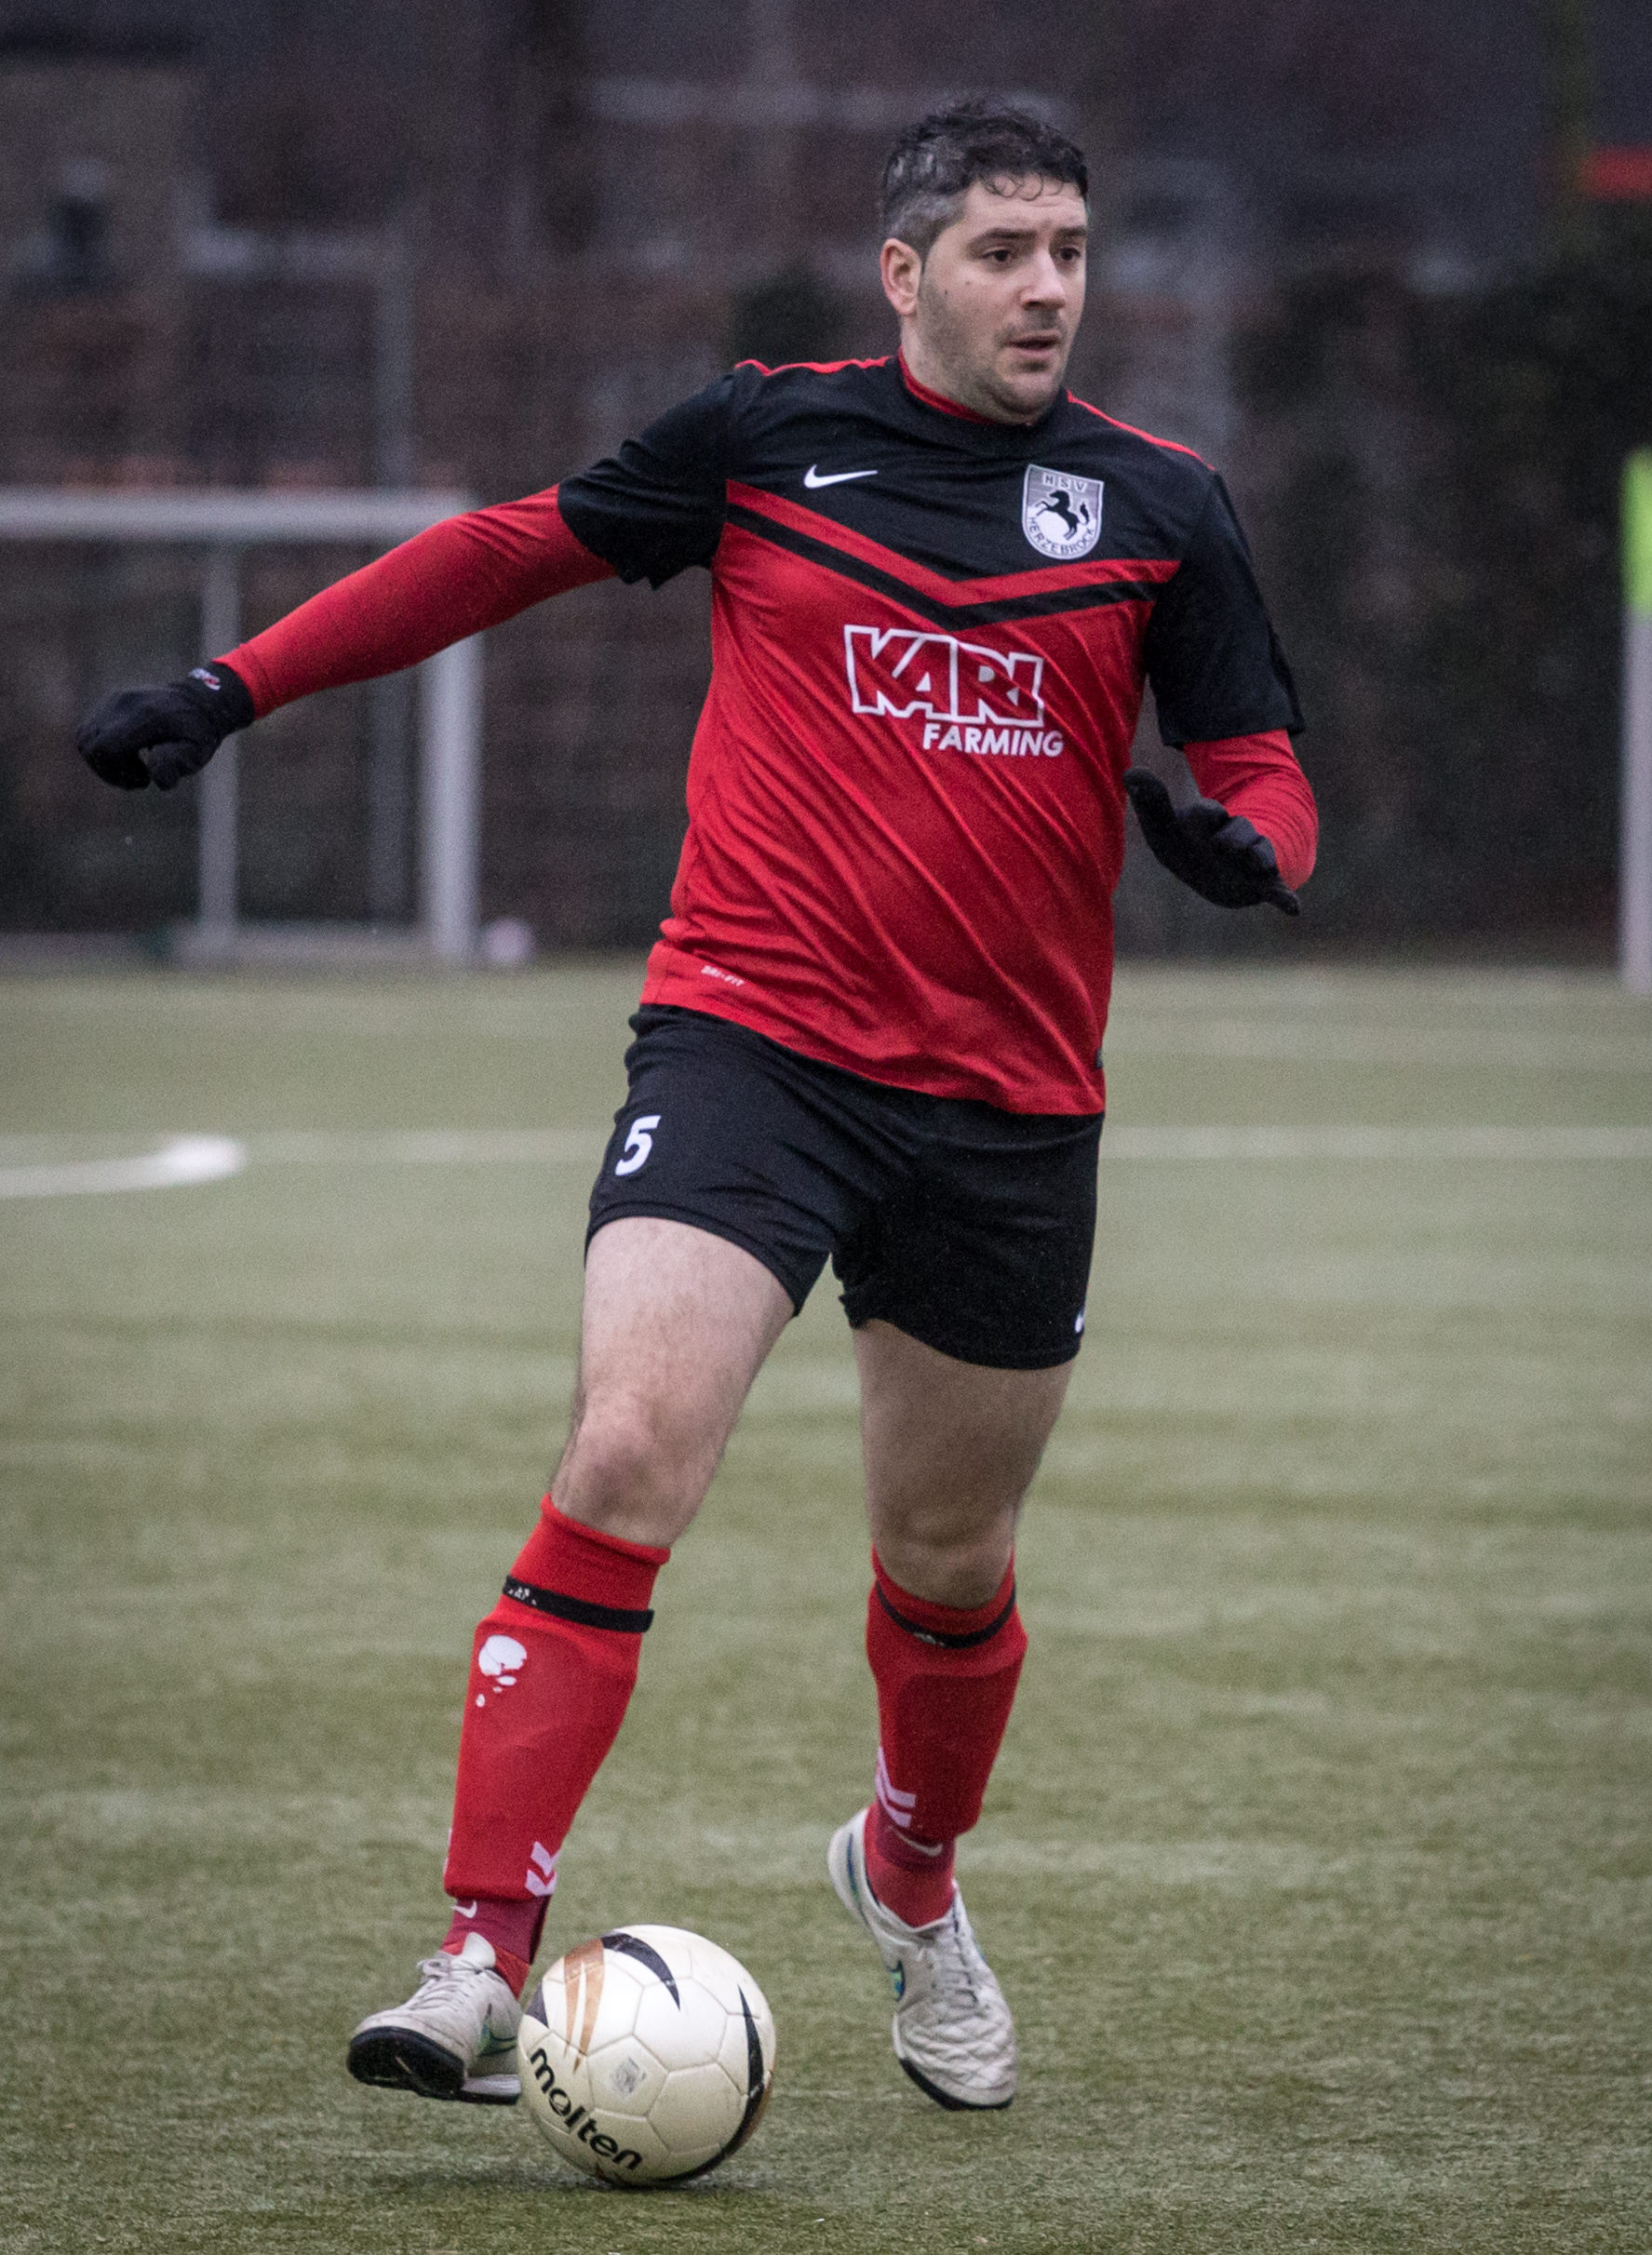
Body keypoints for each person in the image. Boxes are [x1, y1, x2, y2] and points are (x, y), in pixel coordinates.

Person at [77, 101, 1316, 2115]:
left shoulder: (1160, 502)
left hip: (1008, 1102)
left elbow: (1261, 759)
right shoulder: (764, 438)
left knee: (949, 1560)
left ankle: (907, 1875)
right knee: (627, 1447)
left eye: (1071, 252)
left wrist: (1258, 850)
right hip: (752, 1042)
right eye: (1003, 252)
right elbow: (505, 552)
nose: (1048, 290)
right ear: (905, 273)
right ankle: (478, 1960)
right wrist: (235, 689)